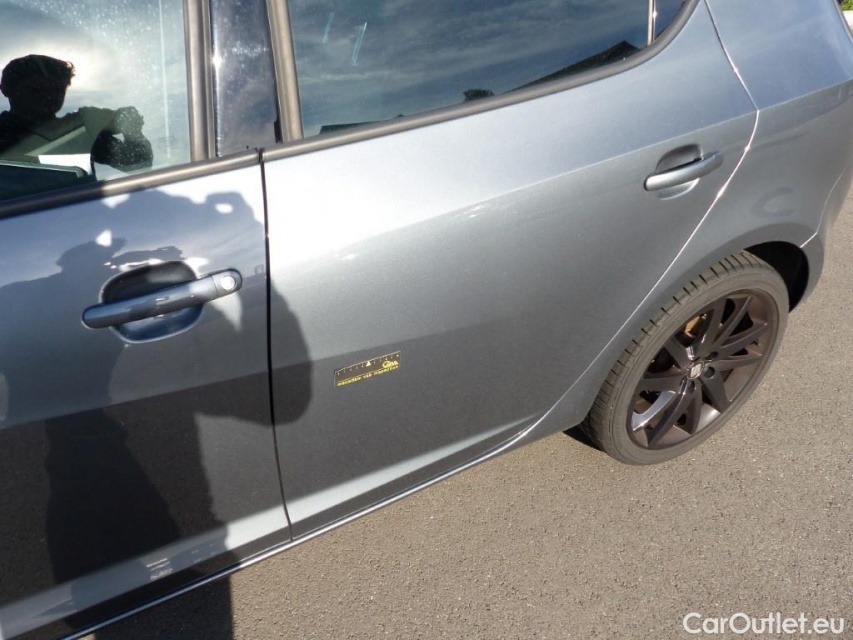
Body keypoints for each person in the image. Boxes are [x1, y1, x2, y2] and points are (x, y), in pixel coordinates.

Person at [0, 54, 152, 172]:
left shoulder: (78, 132)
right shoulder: (79, 131)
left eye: (57, 90)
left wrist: (132, 131)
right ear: (6, 89)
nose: (48, 97)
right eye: (37, 90)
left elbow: (138, 164)